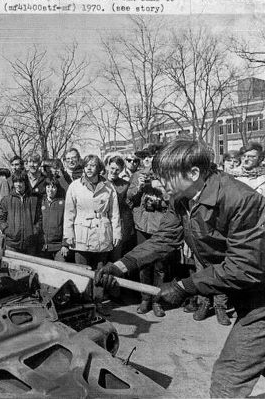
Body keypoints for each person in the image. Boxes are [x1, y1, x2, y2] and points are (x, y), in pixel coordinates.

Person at [95, 138, 265, 398]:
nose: (159, 184)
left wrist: (183, 286)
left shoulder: (241, 200)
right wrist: (119, 266)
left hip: (260, 301)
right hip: (245, 296)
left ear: (193, 173)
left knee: (227, 380)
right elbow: (163, 240)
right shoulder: (181, 200)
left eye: (166, 178)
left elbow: (244, 267)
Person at [63, 155, 121, 286]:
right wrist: (68, 234)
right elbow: (69, 213)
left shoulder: (108, 187)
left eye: (92, 165)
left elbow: (114, 213)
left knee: (101, 273)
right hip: (81, 236)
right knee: (82, 274)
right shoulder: (74, 186)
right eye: (86, 165)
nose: (89, 168)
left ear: (99, 168)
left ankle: (98, 302)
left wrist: (116, 233)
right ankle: (85, 303)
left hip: (102, 235)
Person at [127, 143, 170, 317]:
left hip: (160, 226)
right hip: (142, 226)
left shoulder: (167, 175)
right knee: (144, 263)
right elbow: (130, 198)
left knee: (160, 265)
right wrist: (139, 186)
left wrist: (160, 190)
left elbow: (173, 199)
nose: (148, 160)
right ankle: (145, 299)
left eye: (152, 156)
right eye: (145, 157)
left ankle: (157, 301)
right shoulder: (138, 175)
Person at [0, 171, 42, 255]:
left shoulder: (34, 199)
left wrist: (35, 230)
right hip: (12, 244)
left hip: (30, 243)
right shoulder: (6, 200)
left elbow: (39, 218)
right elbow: (0, 219)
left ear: (25, 182)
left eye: (21, 181)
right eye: (15, 182)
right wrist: (7, 230)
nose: (18, 184)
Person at [106, 156, 135, 260]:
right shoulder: (99, 181)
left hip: (118, 224)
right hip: (102, 223)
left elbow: (128, 206)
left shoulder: (125, 185)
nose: (114, 171)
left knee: (116, 256)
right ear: (107, 166)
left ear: (121, 170)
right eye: (112, 168)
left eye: (117, 169)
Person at [39, 176, 67, 260]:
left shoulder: (62, 204)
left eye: (53, 187)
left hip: (59, 247)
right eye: (48, 187)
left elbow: (67, 224)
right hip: (43, 247)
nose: (50, 190)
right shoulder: (40, 203)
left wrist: (65, 244)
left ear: (57, 189)